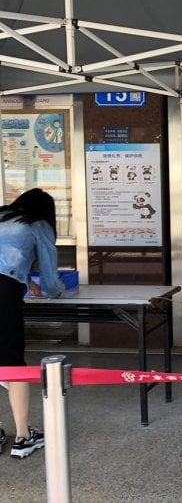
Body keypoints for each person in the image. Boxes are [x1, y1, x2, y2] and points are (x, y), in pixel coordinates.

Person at [0, 188, 62, 458]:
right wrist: (52, 290)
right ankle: (23, 437)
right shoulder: (38, 225)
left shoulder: (3, 216)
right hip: (3, 294)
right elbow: (50, 279)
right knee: (12, 364)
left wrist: (27, 282)